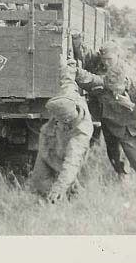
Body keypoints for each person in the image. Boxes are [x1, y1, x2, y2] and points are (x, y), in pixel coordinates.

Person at [78, 41, 136, 186]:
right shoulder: (102, 76)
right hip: (119, 128)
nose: (106, 63)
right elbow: (90, 78)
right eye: (104, 59)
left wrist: (131, 105)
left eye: (109, 59)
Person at [30, 57, 95, 203]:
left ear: (65, 120)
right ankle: (49, 200)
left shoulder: (81, 134)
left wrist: (59, 187)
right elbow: (68, 81)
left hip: (65, 146)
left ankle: (69, 200)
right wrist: (67, 65)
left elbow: (71, 163)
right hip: (50, 140)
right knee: (38, 180)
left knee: (66, 175)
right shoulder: (70, 98)